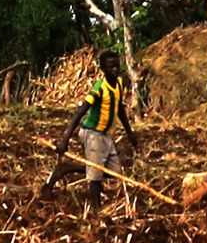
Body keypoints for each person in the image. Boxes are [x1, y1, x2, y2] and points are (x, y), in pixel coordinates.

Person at [41, 50, 137, 209]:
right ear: (103, 69)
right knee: (95, 177)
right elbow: (80, 112)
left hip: (105, 135)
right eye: (111, 66)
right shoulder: (99, 88)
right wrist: (65, 140)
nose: (115, 69)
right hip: (92, 133)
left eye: (117, 66)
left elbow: (120, 109)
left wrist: (130, 133)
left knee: (115, 173)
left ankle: (65, 168)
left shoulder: (120, 84)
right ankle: (95, 211)